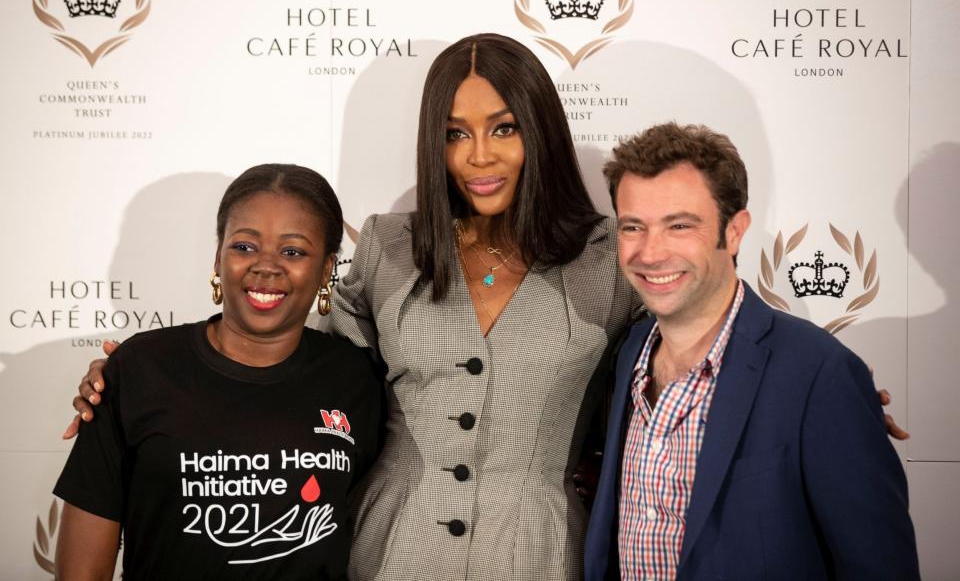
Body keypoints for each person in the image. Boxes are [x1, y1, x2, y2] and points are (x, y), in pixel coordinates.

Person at [63, 35, 906, 580]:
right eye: (456, 132)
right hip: (392, 551)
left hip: (542, 552)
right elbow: (297, 370)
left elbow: (698, 343)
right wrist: (134, 379)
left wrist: (819, 392)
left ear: (537, 129)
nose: (479, 155)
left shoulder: (608, 256)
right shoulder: (391, 247)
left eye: (502, 128)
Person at [583, 123, 920, 580]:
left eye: (679, 225)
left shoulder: (818, 374)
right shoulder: (628, 354)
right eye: (633, 227)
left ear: (735, 230)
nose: (651, 251)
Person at [53, 164, 382, 580]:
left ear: (326, 269)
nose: (266, 266)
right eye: (244, 246)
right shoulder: (139, 369)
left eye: (293, 251)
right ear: (217, 256)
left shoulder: (357, 378)